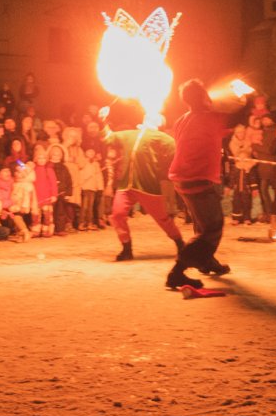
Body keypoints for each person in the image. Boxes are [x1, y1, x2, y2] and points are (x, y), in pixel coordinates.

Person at [168, 79, 244, 289]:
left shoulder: (182, 120)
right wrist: (242, 96)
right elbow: (238, 115)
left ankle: (206, 261)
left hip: (181, 177)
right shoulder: (210, 118)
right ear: (203, 98)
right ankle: (177, 272)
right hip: (196, 178)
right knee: (211, 227)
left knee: (201, 223)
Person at [103, 99, 184, 262]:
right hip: (126, 185)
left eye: (156, 115)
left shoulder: (161, 137)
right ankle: (127, 248)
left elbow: (179, 151)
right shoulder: (129, 134)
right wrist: (103, 119)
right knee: (117, 215)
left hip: (148, 186)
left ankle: (180, 244)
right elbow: (108, 138)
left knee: (163, 220)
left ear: (159, 122)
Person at [228, 124, 257, 224]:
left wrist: (254, 188)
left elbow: (253, 178)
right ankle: (236, 218)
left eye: (243, 132)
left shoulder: (249, 169)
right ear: (236, 133)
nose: (241, 134)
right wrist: (230, 187)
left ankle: (246, 218)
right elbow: (232, 177)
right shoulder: (232, 143)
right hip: (237, 187)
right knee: (236, 202)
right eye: (239, 132)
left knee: (247, 203)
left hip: (246, 188)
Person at [77, 147, 105, 230]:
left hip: (93, 188)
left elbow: (98, 176)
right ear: (86, 153)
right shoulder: (83, 161)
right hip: (85, 187)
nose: (91, 154)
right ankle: (81, 223)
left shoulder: (95, 164)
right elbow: (80, 169)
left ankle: (89, 223)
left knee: (90, 207)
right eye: (89, 152)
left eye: (92, 153)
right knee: (84, 206)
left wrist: (100, 187)